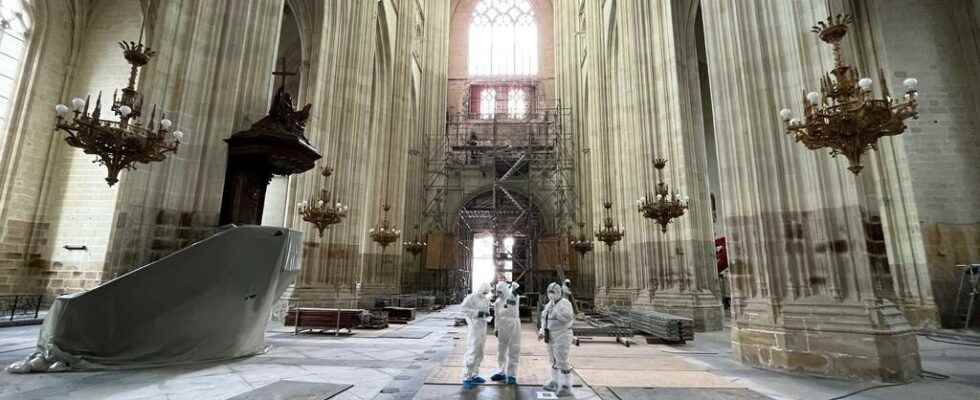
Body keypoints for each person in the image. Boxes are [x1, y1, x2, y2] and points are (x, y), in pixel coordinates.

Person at [539, 282, 574, 396]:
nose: (550, 294)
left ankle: (566, 386)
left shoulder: (565, 303)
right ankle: (554, 382)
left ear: (558, 292)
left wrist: (556, 311)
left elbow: (567, 318)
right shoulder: (549, 304)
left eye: (553, 292)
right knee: (553, 360)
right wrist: (541, 331)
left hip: (562, 335)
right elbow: (544, 318)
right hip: (551, 336)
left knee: (562, 360)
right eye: (549, 292)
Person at [461, 282, 492, 390]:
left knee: (480, 352)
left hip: (483, 327)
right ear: (480, 289)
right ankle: (467, 377)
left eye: (487, 292)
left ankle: (475, 374)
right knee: (472, 351)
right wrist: (477, 313)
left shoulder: (486, 299)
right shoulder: (471, 297)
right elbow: (463, 309)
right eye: (484, 291)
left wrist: (487, 314)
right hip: (474, 328)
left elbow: (487, 311)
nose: (485, 293)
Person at [490, 281, 521, 385]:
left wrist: (515, 288)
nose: (499, 294)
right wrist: (496, 328)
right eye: (497, 292)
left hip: (513, 326)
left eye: (501, 291)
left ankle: (512, 375)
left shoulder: (513, 297)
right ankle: (502, 371)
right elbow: (496, 316)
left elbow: (516, 295)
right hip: (502, 327)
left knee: (514, 349)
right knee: (501, 350)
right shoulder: (498, 302)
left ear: (505, 290)